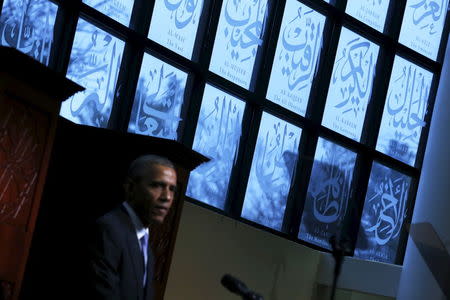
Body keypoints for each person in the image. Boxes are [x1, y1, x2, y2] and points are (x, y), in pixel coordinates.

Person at [87, 154, 177, 300]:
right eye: (156, 185)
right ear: (130, 188)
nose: (167, 196)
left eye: (172, 189)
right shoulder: (109, 230)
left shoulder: (145, 245)